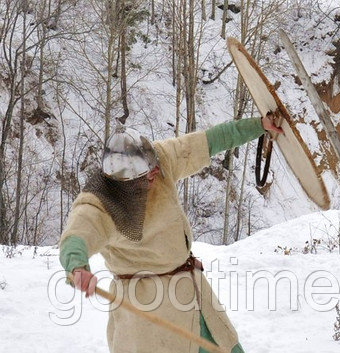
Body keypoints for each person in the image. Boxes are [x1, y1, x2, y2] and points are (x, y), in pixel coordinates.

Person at [59, 113, 283, 353]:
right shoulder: (99, 204)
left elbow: (209, 142)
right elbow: (77, 236)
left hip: (192, 290)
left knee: (226, 346)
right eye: (146, 175)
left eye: (153, 166)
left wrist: (258, 126)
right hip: (146, 311)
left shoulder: (158, 159)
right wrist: (77, 267)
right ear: (124, 182)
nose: (155, 173)